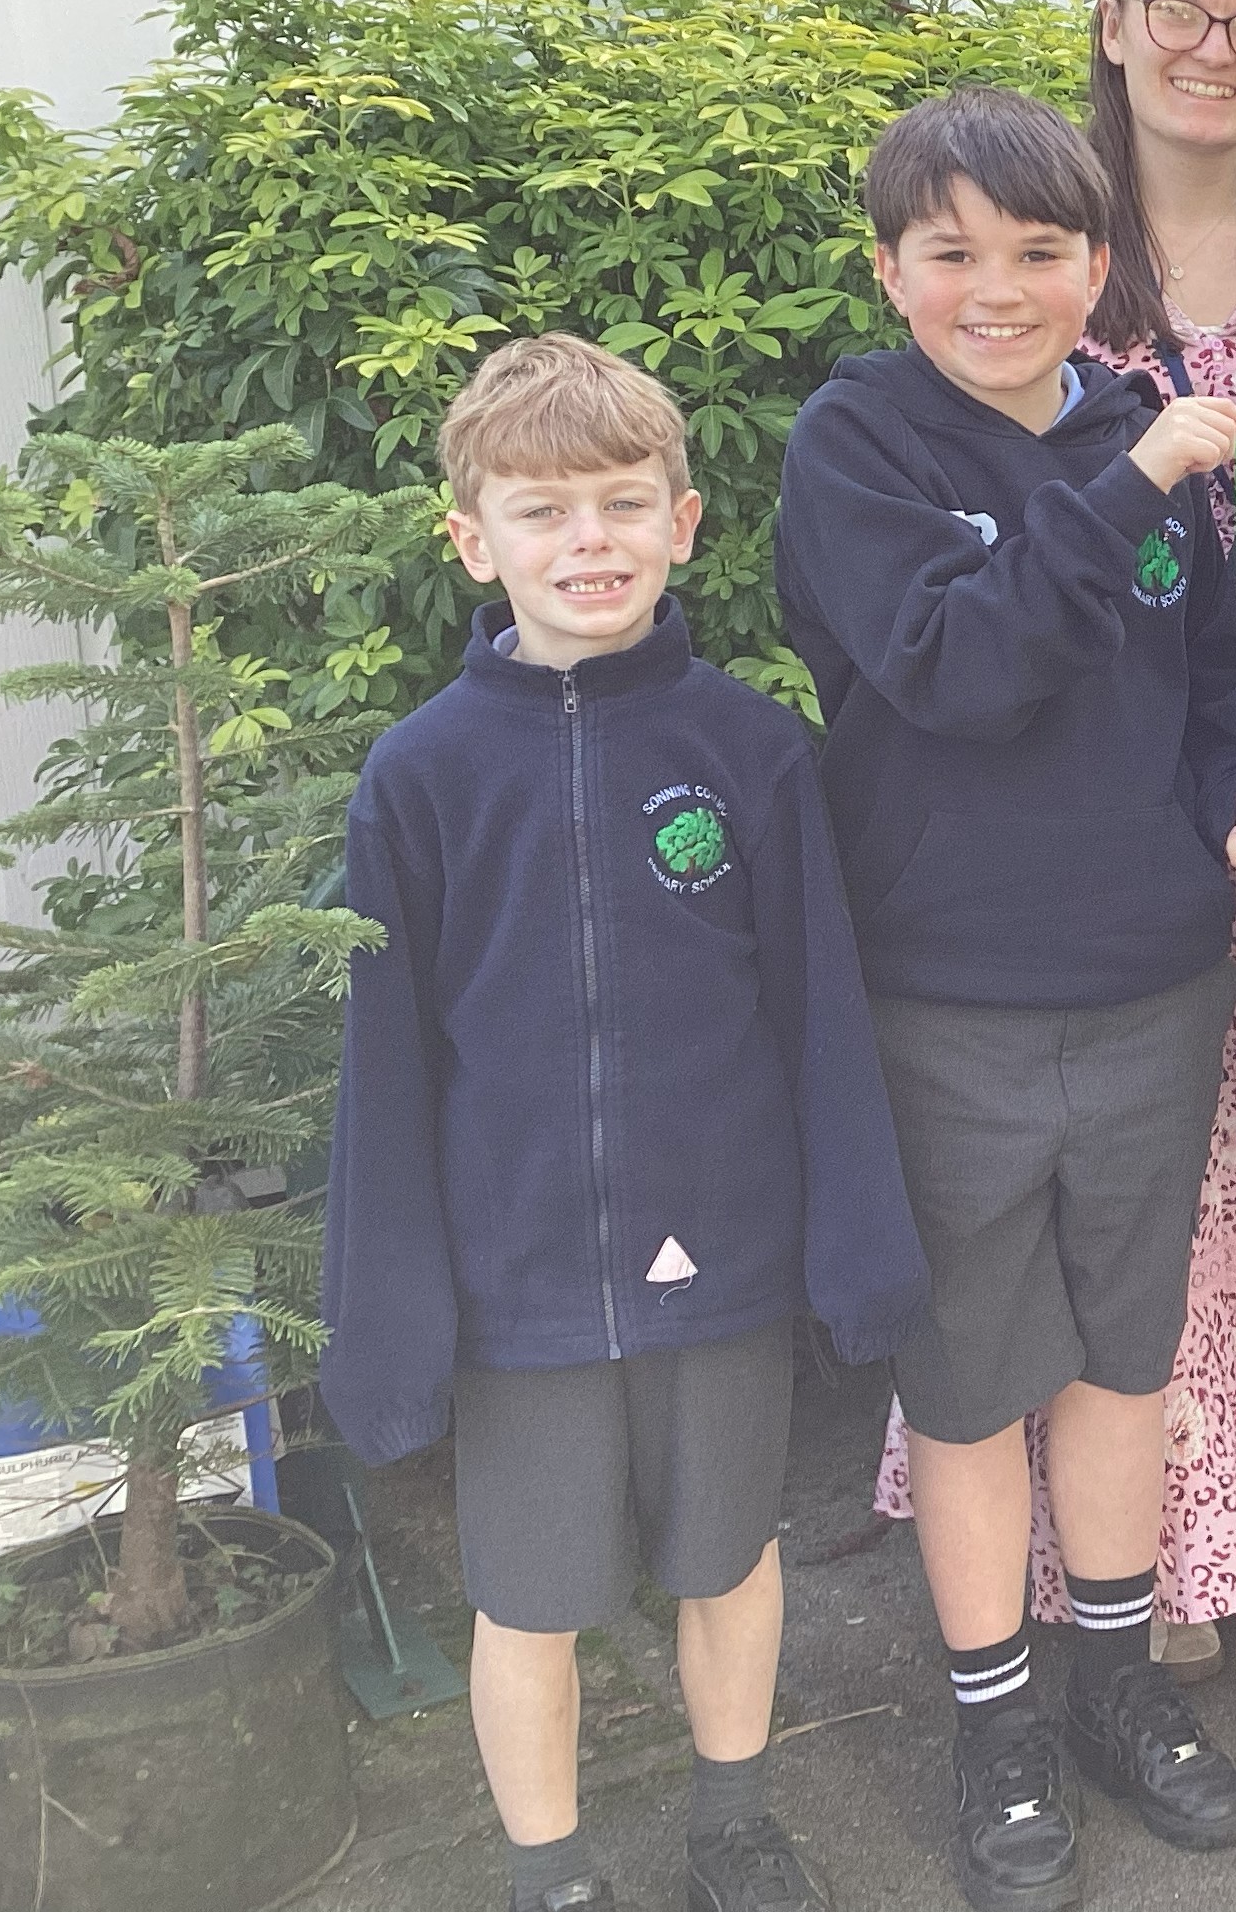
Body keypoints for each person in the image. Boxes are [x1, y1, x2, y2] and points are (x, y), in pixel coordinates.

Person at [867, 0, 1236, 1677]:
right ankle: (1116, 1573)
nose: (1212, 51)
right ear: (1113, 24)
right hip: (1080, 814)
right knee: (1087, 1228)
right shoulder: (1034, 238)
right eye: (1177, 11)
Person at [322, 334, 930, 1912]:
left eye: (620, 503)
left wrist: (858, 1250)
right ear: (474, 540)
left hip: (719, 1259)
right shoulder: (419, 778)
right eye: (541, 511)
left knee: (727, 1558)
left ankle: (736, 1823)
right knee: (528, 1601)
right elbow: (386, 1070)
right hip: (515, 1282)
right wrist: (391, 1317)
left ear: (683, 521)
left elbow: (821, 1017)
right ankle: (551, 1871)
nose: (586, 540)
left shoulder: (752, 752)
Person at [776, 87, 1236, 1907]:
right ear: (888, 270)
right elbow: (956, 668)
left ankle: (1113, 1688)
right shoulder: (857, 446)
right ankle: (993, 1720)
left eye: (1039, 252)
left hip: (1154, 977)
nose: (996, 290)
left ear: (1097, 264)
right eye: (952, 254)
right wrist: (1128, 486)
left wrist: (1225, 798)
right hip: (946, 996)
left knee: (1122, 1359)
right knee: (969, 1380)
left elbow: (1213, 665)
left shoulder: (1139, 429)